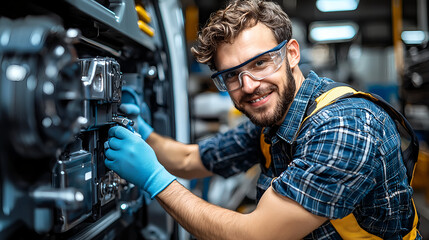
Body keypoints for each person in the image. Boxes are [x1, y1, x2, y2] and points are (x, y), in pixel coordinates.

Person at [104, 0, 420, 239]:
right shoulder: (275, 121)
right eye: (231, 76)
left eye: (260, 63)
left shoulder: (345, 126)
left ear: (292, 53)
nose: (248, 86)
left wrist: (154, 181)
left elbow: (254, 235)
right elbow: (190, 159)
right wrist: (141, 131)